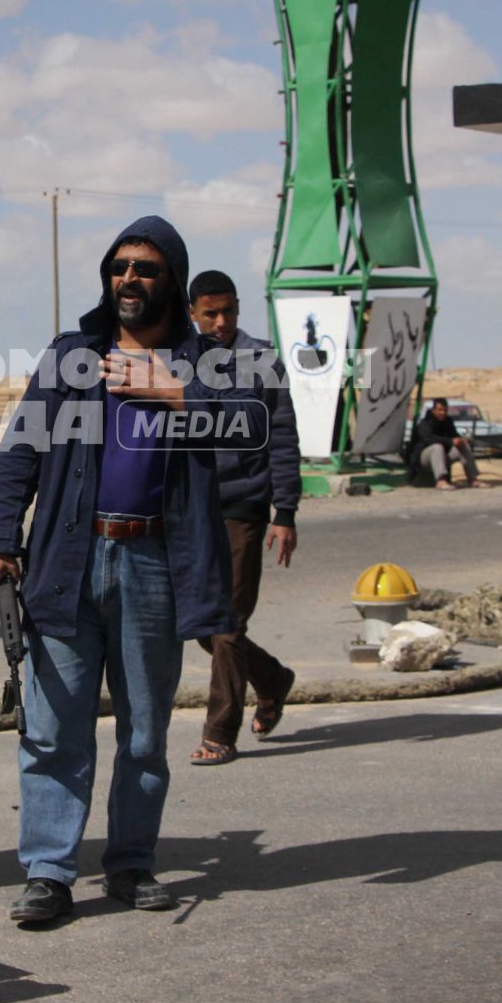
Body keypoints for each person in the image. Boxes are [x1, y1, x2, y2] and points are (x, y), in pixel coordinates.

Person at [0, 217, 264, 926]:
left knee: (142, 732)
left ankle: (131, 863)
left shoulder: (208, 360)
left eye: (146, 269)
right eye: (120, 267)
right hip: (69, 561)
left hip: (156, 564)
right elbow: (19, 452)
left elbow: (246, 433)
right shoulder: (74, 354)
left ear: (172, 279)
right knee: (52, 727)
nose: (129, 280)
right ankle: (48, 871)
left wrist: (169, 392)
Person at [186, 270, 300, 767]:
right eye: (210, 313)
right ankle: (272, 678)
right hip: (190, 509)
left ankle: (220, 732)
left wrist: (286, 511)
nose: (221, 322)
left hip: (244, 509)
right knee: (199, 626)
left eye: (228, 310)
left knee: (228, 623)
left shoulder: (263, 359)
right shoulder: (179, 359)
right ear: (192, 312)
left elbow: (283, 436)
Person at [408, 397, 481, 489]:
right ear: (434, 410)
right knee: (437, 447)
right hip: (425, 458)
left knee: (462, 446)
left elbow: (454, 435)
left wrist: (460, 440)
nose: (442, 412)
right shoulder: (425, 423)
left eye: (445, 410)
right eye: (440, 410)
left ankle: (473, 479)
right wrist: (450, 441)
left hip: (442, 456)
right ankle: (441, 480)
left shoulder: (448, 421)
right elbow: (429, 439)